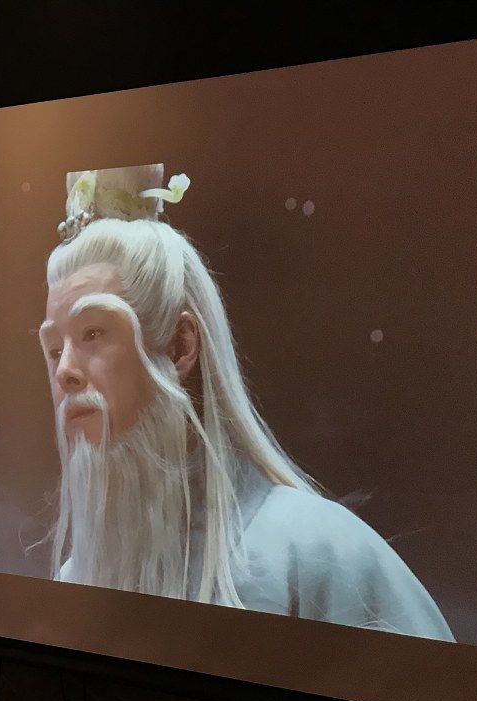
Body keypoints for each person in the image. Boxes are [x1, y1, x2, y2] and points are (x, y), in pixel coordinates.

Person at [37, 163, 453, 641]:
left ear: (180, 346)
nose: (65, 371)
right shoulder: (79, 577)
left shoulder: (318, 552)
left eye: (93, 333)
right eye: (54, 349)